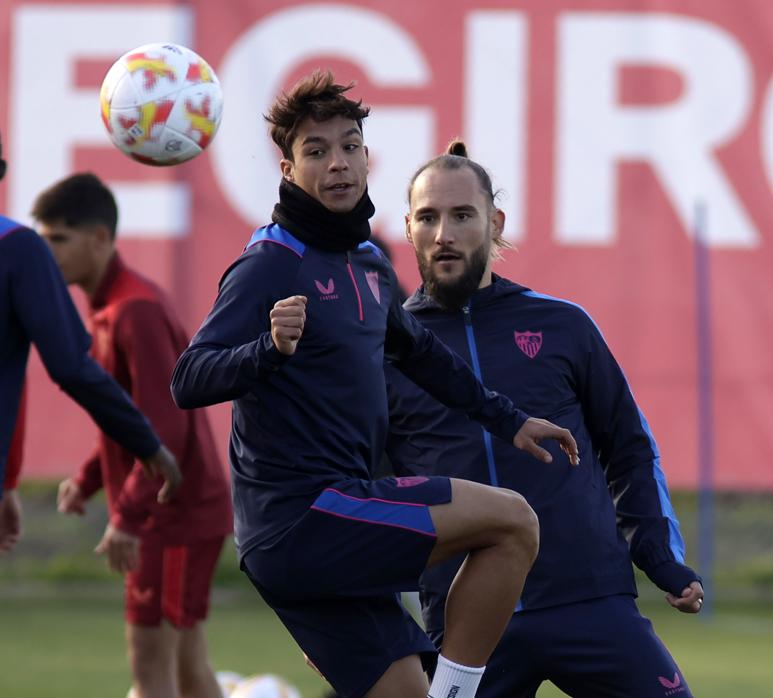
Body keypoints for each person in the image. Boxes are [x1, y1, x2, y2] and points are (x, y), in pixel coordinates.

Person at [170, 70, 579, 698]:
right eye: (316, 151)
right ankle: (460, 693)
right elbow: (188, 379)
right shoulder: (270, 263)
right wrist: (267, 350)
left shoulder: (366, 261)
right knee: (514, 523)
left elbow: (419, 355)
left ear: (366, 155)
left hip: (332, 516)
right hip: (303, 519)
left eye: (349, 146)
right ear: (288, 171)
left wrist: (510, 419)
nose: (338, 164)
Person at [385, 141, 703, 697]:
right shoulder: (387, 352)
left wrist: (659, 557)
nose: (445, 234)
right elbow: (363, 496)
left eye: (462, 215)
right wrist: (353, 623)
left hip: (589, 598)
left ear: (494, 222)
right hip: (465, 625)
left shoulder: (562, 325)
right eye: (429, 218)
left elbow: (629, 447)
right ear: (408, 227)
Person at [32, 172, 233, 698]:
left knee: (151, 670)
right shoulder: (110, 307)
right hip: (175, 513)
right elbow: (129, 420)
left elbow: (163, 422)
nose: (46, 252)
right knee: (188, 669)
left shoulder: (133, 309)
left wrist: (127, 516)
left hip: (173, 516)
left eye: (57, 238)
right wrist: (89, 478)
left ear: (99, 239)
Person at [0, 130, 181, 557]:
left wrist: (8, 481)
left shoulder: (134, 306)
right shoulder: (18, 249)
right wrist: (147, 444)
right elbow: (69, 368)